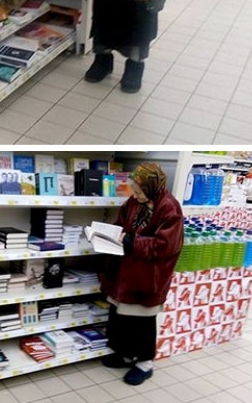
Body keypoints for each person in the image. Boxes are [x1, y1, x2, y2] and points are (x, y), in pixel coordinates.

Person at [100, 162, 184, 385]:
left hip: (148, 276)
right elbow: (121, 225)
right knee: (121, 316)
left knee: (143, 321)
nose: (135, 195)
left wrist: (130, 240)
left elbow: (166, 246)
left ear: (152, 186)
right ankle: (127, 355)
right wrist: (107, 234)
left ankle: (145, 363)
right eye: (133, 189)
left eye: (139, 190)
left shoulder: (169, 207)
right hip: (126, 271)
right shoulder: (134, 202)